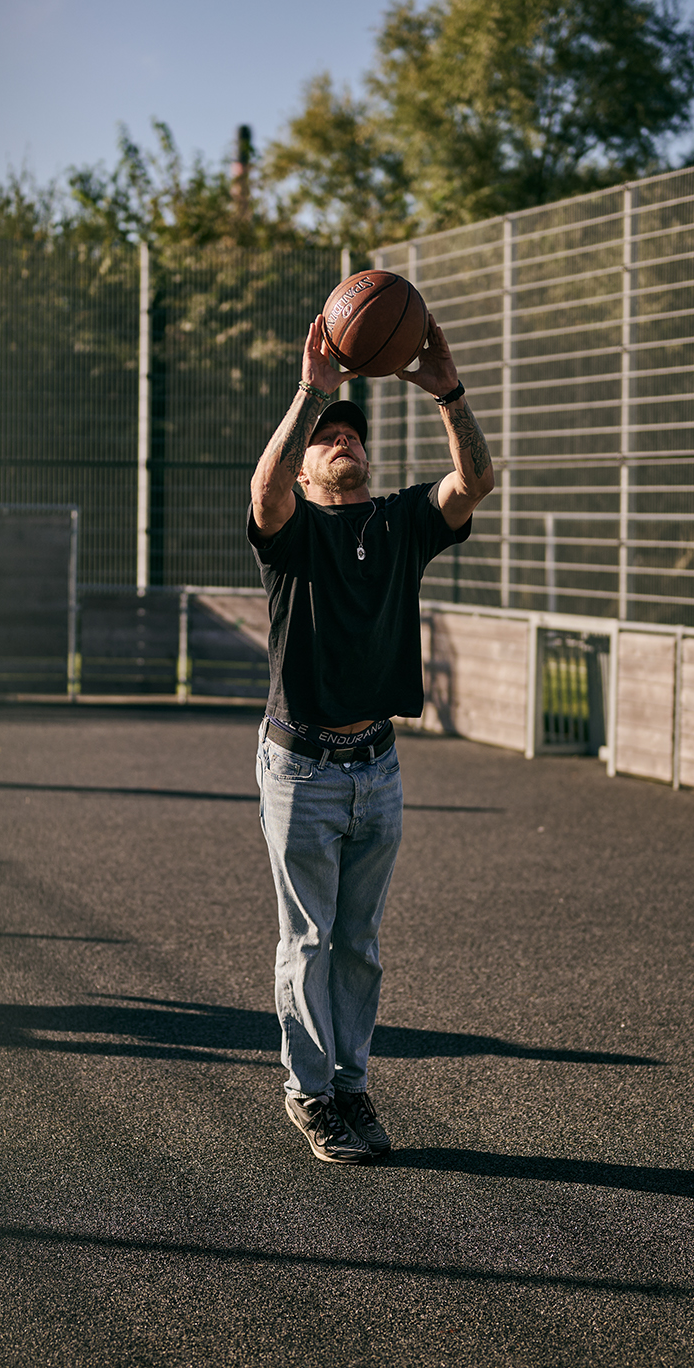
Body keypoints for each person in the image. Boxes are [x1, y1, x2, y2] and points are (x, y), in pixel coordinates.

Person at [248, 312, 494, 1163]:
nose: (341, 440)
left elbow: (476, 482)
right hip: (301, 766)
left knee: (357, 944)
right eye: (327, 438)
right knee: (307, 939)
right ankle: (309, 1094)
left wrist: (449, 393)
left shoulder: (397, 523)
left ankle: (350, 1085)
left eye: (351, 432)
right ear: (310, 468)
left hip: (377, 767)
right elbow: (263, 492)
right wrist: (313, 389)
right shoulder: (291, 533)